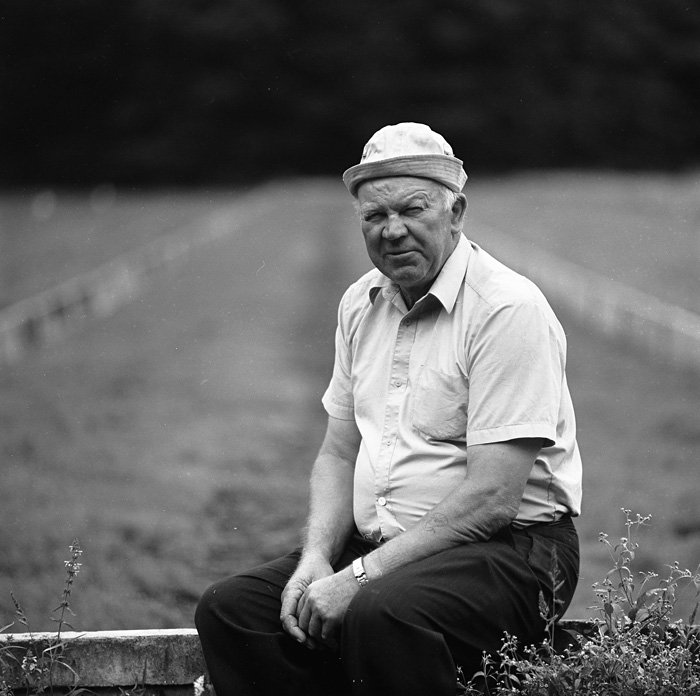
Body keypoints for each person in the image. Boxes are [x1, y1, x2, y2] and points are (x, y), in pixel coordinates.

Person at [195, 122, 583, 696]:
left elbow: (493, 498)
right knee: (232, 610)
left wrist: (359, 577)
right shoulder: (360, 303)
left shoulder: (506, 309)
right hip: (387, 549)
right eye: (374, 215)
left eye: (412, 209)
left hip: (515, 551)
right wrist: (317, 559)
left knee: (382, 614)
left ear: (456, 212)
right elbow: (338, 452)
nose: (392, 230)